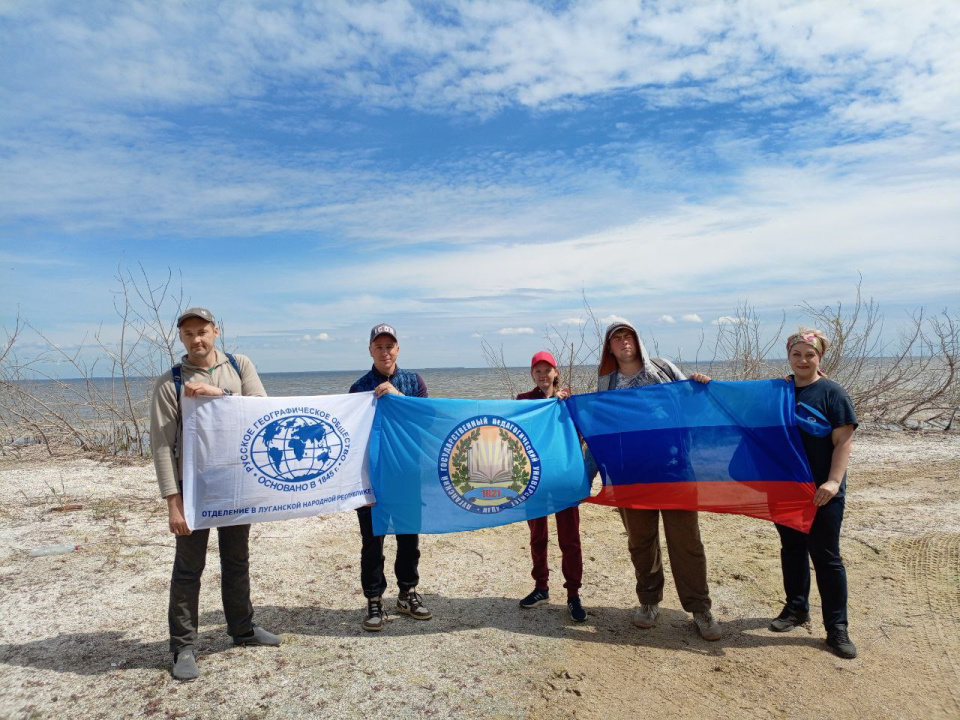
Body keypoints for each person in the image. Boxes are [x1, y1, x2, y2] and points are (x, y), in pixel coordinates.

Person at [150, 307, 280, 682]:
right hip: (194, 490)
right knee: (189, 569)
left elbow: (261, 411)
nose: (197, 339)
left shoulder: (239, 367)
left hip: (235, 484)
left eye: (202, 331)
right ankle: (183, 647)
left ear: (216, 331)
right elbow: (161, 446)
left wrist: (217, 394)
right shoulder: (170, 382)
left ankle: (243, 630)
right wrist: (173, 504)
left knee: (237, 561)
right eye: (188, 333)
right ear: (181, 338)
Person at [587, 320, 721, 641]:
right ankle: (648, 601)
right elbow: (598, 432)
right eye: (616, 338)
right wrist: (586, 475)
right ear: (610, 348)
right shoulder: (606, 384)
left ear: (637, 339)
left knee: (686, 541)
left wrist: (701, 385)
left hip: (675, 470)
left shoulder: (663, 368)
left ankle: (700, 607)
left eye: (627, 335)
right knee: (641, 542)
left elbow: (692, 404)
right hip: (630, 476)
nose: (623, 342)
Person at [770, 328, 858, 659]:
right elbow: (741, 408)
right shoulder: (779, 392)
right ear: (789, 356)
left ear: (819, 357)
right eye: (797, 354)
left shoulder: (832, 393)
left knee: (826, 555)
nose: (803, 360)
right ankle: (796, 609)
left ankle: (837, 629)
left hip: (823, 490)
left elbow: (843, 441)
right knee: (792, 548)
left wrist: (833, 482)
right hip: (786, 489)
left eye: (810, 354)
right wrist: (706, 385)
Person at [349, 323, 431, 631]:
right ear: (370, 350)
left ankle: (407, 592)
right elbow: (351, 439)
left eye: (390, 346)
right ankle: (374, 599)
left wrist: (399, 397)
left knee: (409, 537)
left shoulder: (413, 381)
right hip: (372, 477)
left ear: (398, 349)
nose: (385, 351)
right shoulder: (358, 388)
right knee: (372, 542)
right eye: (379, 346)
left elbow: (425, 423)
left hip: (408, 475)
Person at [515, 351, 586, 623]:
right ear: (532, 374)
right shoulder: (523, 402)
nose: (543, 375)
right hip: (533, 480)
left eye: (548, 370)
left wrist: (564, 405)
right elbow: (514, 432)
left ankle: (573, 595)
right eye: (537, 371)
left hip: (563, 479)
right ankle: (541, 587)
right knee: (537, 536)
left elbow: (580, 436)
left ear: (556, 372)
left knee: (570, 538)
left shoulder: (568, 401)